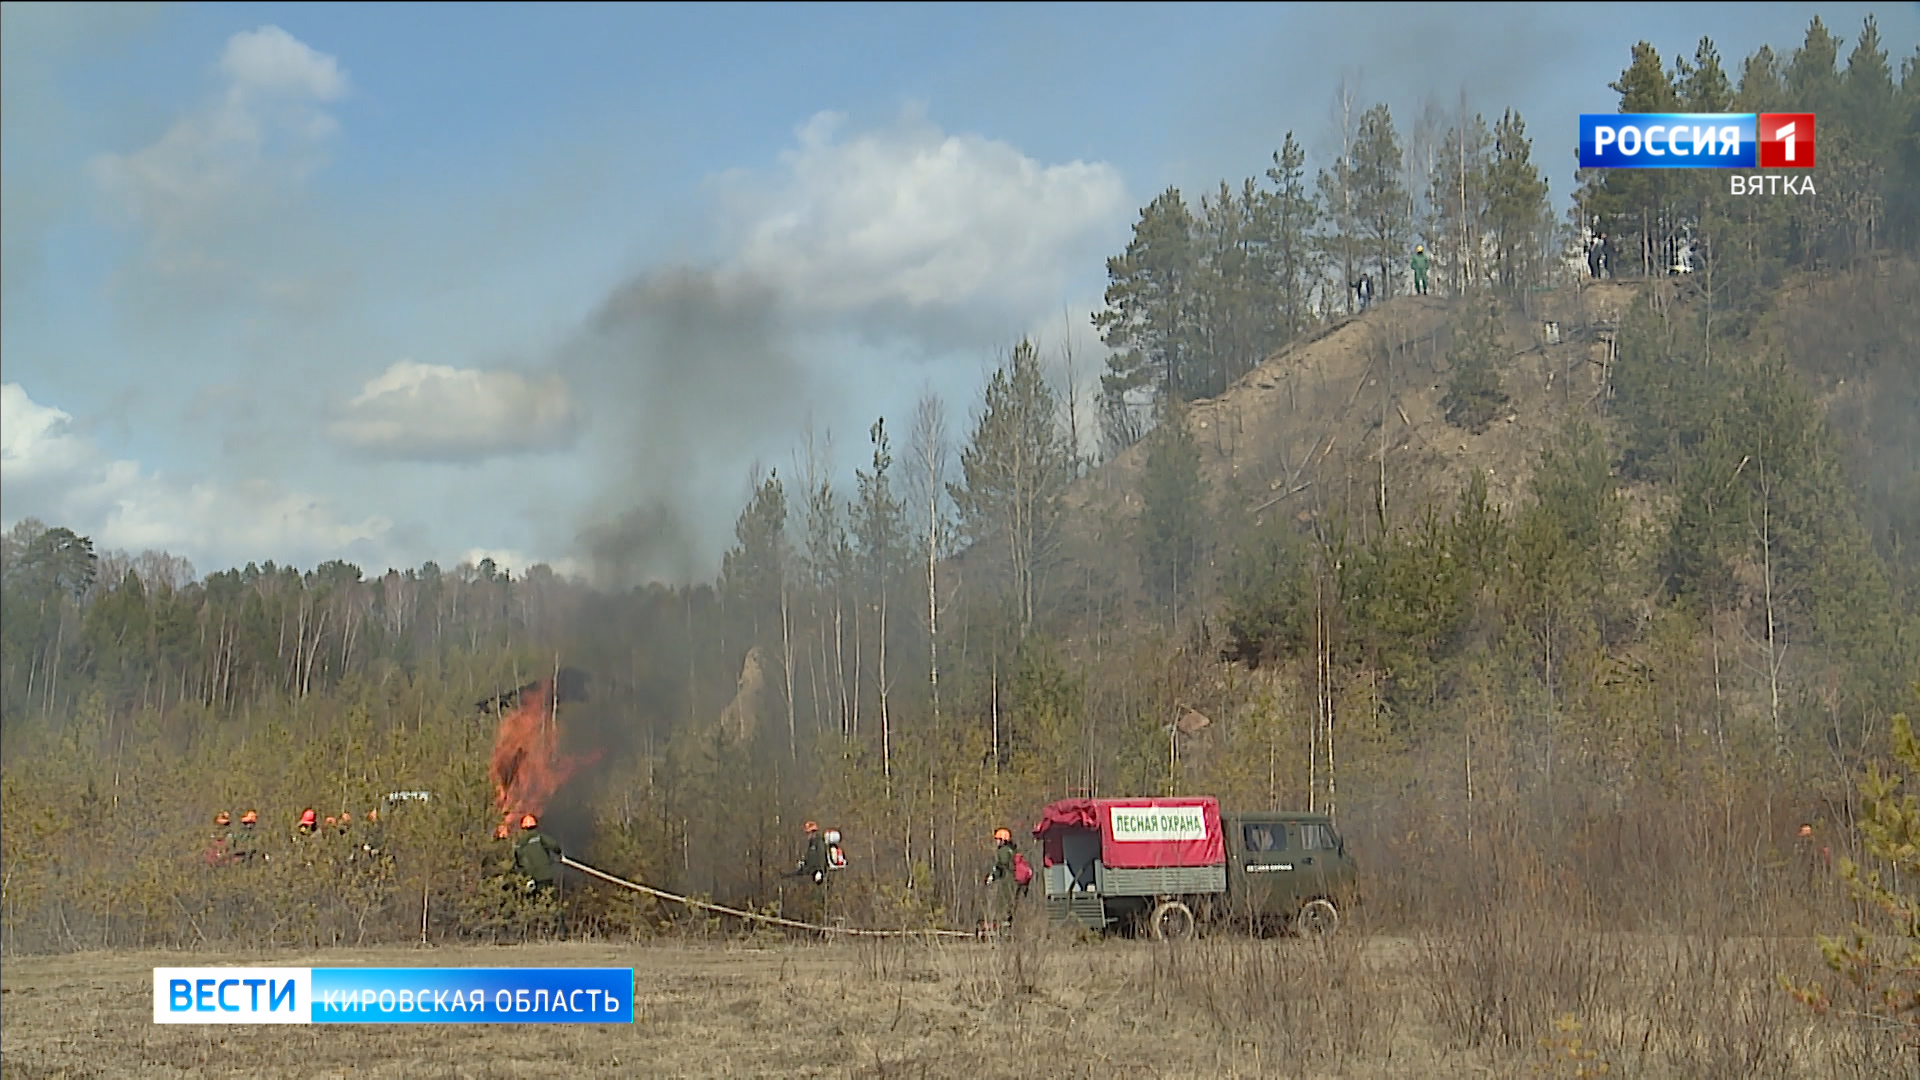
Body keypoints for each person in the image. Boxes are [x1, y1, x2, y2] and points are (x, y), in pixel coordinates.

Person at [984, 827, 1024, 930]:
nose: (996, 842)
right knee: (1012, 904)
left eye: (997, 839)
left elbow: (1002, 864)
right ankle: (1009, 926)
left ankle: (1003, 927)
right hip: (1015, 881)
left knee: (1004, 904)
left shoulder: (1003, 851)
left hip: (1008, 880)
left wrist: (993, 875)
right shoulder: (1013, 850)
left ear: (1002, 840)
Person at [512, 813, 561, 894]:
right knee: (547, 897)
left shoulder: (519, 843)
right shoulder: (540, 837)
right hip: (545, 875)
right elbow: (554, 845)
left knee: (534, 901)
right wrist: (558, 853)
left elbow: (518, 861)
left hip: (530, 878)